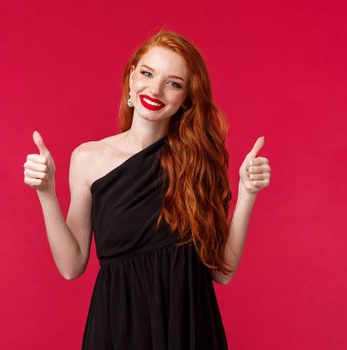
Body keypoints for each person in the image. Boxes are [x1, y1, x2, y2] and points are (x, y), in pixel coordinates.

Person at [23, 29, 271, 349]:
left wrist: (248, 192)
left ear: (186, 100)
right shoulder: (87, 158)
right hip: (119, 329)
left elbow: (222, 272)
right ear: (131, 77)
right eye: (147, 73)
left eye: (173, 83)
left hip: (189, 331)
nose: (155, 89)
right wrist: (46, 192)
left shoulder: (198, 164)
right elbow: (71, 266)